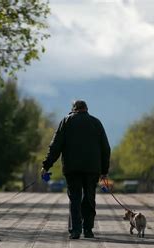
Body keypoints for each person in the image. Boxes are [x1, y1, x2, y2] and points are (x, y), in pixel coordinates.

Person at [41, 100, 111, 239]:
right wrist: (104, 171)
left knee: (75, 199)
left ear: (73, 109)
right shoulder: (96, 123)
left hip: (72, 169)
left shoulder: (66, 122)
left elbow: (55, 146)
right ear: (86, 109)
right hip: (92, 169)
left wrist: (46, 165)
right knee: (89, 198)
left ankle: (75, 230)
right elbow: (105, 148)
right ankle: (88, 230)